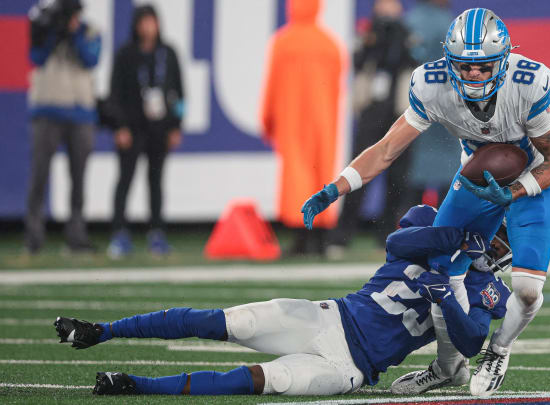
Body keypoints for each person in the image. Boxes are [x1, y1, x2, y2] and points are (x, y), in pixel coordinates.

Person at [301, 8, 550, 398]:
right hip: (476, 178)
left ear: (503, 60)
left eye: (484, 67)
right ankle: (448, 367)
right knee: (443, 269)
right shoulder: (431, 84)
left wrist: (513, 193)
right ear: (449, 60)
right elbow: (388, 148)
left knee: (527, 290)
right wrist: (337, 187)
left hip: (532, 176)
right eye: (465, 66)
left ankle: (498, 350)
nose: (474, 75)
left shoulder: (528, 82)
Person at [54, 205, 511, 396]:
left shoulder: (480, 289)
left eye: (499, 242)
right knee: (231, 322)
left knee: (265, 379)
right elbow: (398, 239)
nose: (492, 248)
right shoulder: (432, 230)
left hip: (350, 368)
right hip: (327, 319)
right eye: (492, 236)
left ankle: (136, 385)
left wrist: (447, 298)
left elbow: (472, 340)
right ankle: (103, 330)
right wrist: (453, 241)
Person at [326, 0, 416, 256]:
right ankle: (342, 235)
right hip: (372, 113)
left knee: (397, 178)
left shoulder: (407, 34)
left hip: (401, 114)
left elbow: (415, 62)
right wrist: (374, 41)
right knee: (358, 172)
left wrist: (400, 39)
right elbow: (357, 60)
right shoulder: (368, 34)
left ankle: (386, 235)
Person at [260, 0, 345, 256]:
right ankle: (320, 239)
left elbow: (272, 87)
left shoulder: (283, 43)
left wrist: (268, 120)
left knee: (297, 176)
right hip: (324, 121)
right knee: (322, 173)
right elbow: (338, 87)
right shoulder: (331, 45)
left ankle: (300, 237)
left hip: (293, 119)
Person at [106, 5, 185, 258]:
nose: (148, 27)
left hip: (159, 129)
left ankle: (157, 233)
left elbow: (180, 93)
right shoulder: (126, 54)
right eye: (144, 22)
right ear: (137, 25)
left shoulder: (168, 53)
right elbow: (114, 94)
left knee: (156, 182)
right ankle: (119, 233)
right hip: (132, 128)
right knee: (125, 179)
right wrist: (119, 126)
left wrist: (175, 126)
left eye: (152, 22)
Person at [25, 0, 101, 254]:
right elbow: (36, 57)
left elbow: (91, 59)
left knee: (78, 179)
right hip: (47, 109)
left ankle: (76, 235)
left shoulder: (89, 30)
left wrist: (73, 34)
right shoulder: (46, 29)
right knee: (39, 175)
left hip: (80, 113)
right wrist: (55, 33)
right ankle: (34, 236)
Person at [403, 0, 458, 208]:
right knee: (450, 181)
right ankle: (448, 231)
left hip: (416, 106)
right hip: (445, 107)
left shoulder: (409, 20)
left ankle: (409, 229)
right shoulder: (447, 24)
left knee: (412, 176)